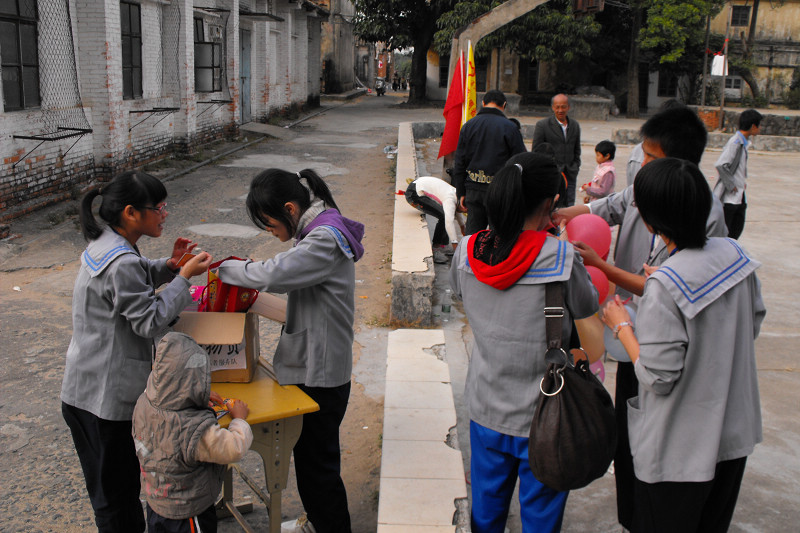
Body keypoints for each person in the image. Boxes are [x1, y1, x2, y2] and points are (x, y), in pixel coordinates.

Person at [552, 104, 728, 531]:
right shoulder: (641, 191)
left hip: (659, 339)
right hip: (630, 333)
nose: (641, 164)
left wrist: (605, 269)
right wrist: (557, 215)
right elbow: (602, 208)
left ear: (678, 163)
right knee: (629, 432)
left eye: (650, 158)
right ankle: (633, 514)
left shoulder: (705, 217)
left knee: (658, 432)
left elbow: (672, 286)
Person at [602, 158, 765, 532]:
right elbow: (752, 322)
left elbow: (658, 376)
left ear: (651, 222)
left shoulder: (665, 286)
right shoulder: (736, 256)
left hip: (682, 451)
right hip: (732, 436)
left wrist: (622, 325)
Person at [450, 152, 605, 533]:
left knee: (486, 514)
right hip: (547, 417)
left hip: (486, 407)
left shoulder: (467, 253)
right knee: (540, 519)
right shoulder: (563, 260)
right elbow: (596, 347)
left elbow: (466, 301)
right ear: (552, 203)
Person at [60, 171, 212, 533]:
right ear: (131, 213)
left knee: (114, 489)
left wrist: (169, 266)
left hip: (85, 389)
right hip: (105, 401)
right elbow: (149, 321)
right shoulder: (121, 260)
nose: (164, 214)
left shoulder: (108, 244)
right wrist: (183, 279)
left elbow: (135, 275)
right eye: (158, 208)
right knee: (117, 497)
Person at [216, 168, 364, 533]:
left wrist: (226, 269)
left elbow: (276, 273)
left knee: (319, 468)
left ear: (289, 208)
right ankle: (317, 521)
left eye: (268, 222)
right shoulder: (316, 230)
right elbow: (290, 287)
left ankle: (330, 527)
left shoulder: (324, 239)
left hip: (322, 372)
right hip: (315, 360)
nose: (270, 230)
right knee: (312, 460)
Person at [132, 332, 254, 533]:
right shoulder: (193, 429)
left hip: (156, 503)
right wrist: (239, 419)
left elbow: (171, 396)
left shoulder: (143, 404)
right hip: (188, 512)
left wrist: (195, 395)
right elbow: (235, 448)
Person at [452, 89, 527, 235]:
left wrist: (461, 191)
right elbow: (519, 163)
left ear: (483, 103)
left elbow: (460, 162)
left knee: (473, 237)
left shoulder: (469, 126)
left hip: (473, 188)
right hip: (499, 192)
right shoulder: (510, 128)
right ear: (504, 105)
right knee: (498, 236)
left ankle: (469, 258)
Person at [714, 109, 762, 239]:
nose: (760, 128)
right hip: (730, 197)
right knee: (728, 233)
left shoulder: (743, 143)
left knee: (736, 229)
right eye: (759, 125)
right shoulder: (735, 143)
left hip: (739, 194)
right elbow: (721, 164)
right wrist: (731, 184)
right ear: (753, 126)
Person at [404, 175, 467, 263]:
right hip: (414, 194)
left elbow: (455, 210)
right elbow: (449, 221)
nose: (463, 213)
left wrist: (462, 226)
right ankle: (435, 249)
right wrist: (455, 244)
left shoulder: (458, 194)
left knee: (446, 213)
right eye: (464, 211)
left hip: (418, 185)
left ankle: (443, 246)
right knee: (444, 216)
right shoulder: (449, 199)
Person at [532, 94, 581, 206]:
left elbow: (577, 149)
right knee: (553, 206)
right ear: (553, 107)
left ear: (568, 107)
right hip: (552, 174)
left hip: (570, 173)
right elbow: (536, 151)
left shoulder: (574, 125)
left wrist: (575, 166)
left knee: (569, 206)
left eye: (563, 107)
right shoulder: (543, 125)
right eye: (557, 107)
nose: (560, 110)